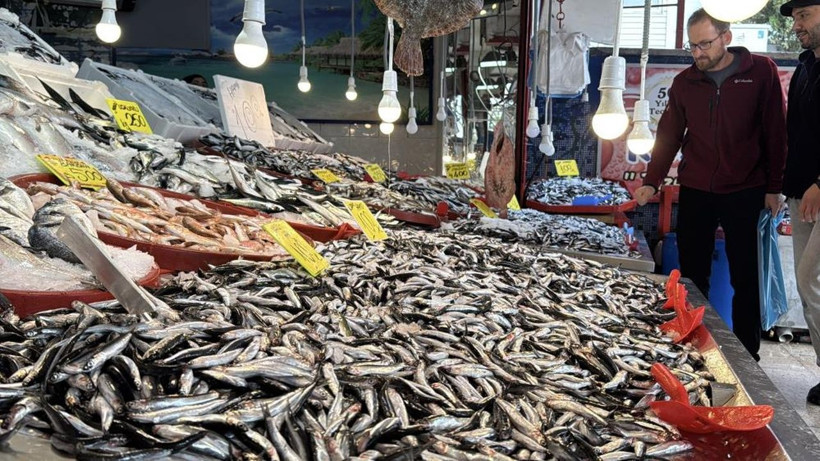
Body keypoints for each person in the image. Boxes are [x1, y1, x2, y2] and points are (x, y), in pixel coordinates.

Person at [634, 8, 787, 361]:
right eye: (693, 46)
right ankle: (691, 342)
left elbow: (776, 132)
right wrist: (651, 181)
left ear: (726, 38)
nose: (698, 53)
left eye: (705, 44)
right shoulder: (685, 82)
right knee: (691, 275)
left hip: (746, 189)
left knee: (745, 277)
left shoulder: (760, 72)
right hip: (698, 189)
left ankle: (748, 353)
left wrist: (774, 187)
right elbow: (669, 134)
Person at [780, 0, 820, 405]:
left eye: (804, 16)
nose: (797, 26)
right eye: (795, 19)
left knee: (811, 279)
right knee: (809, 287)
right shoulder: (806, 66)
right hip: (800, 190)